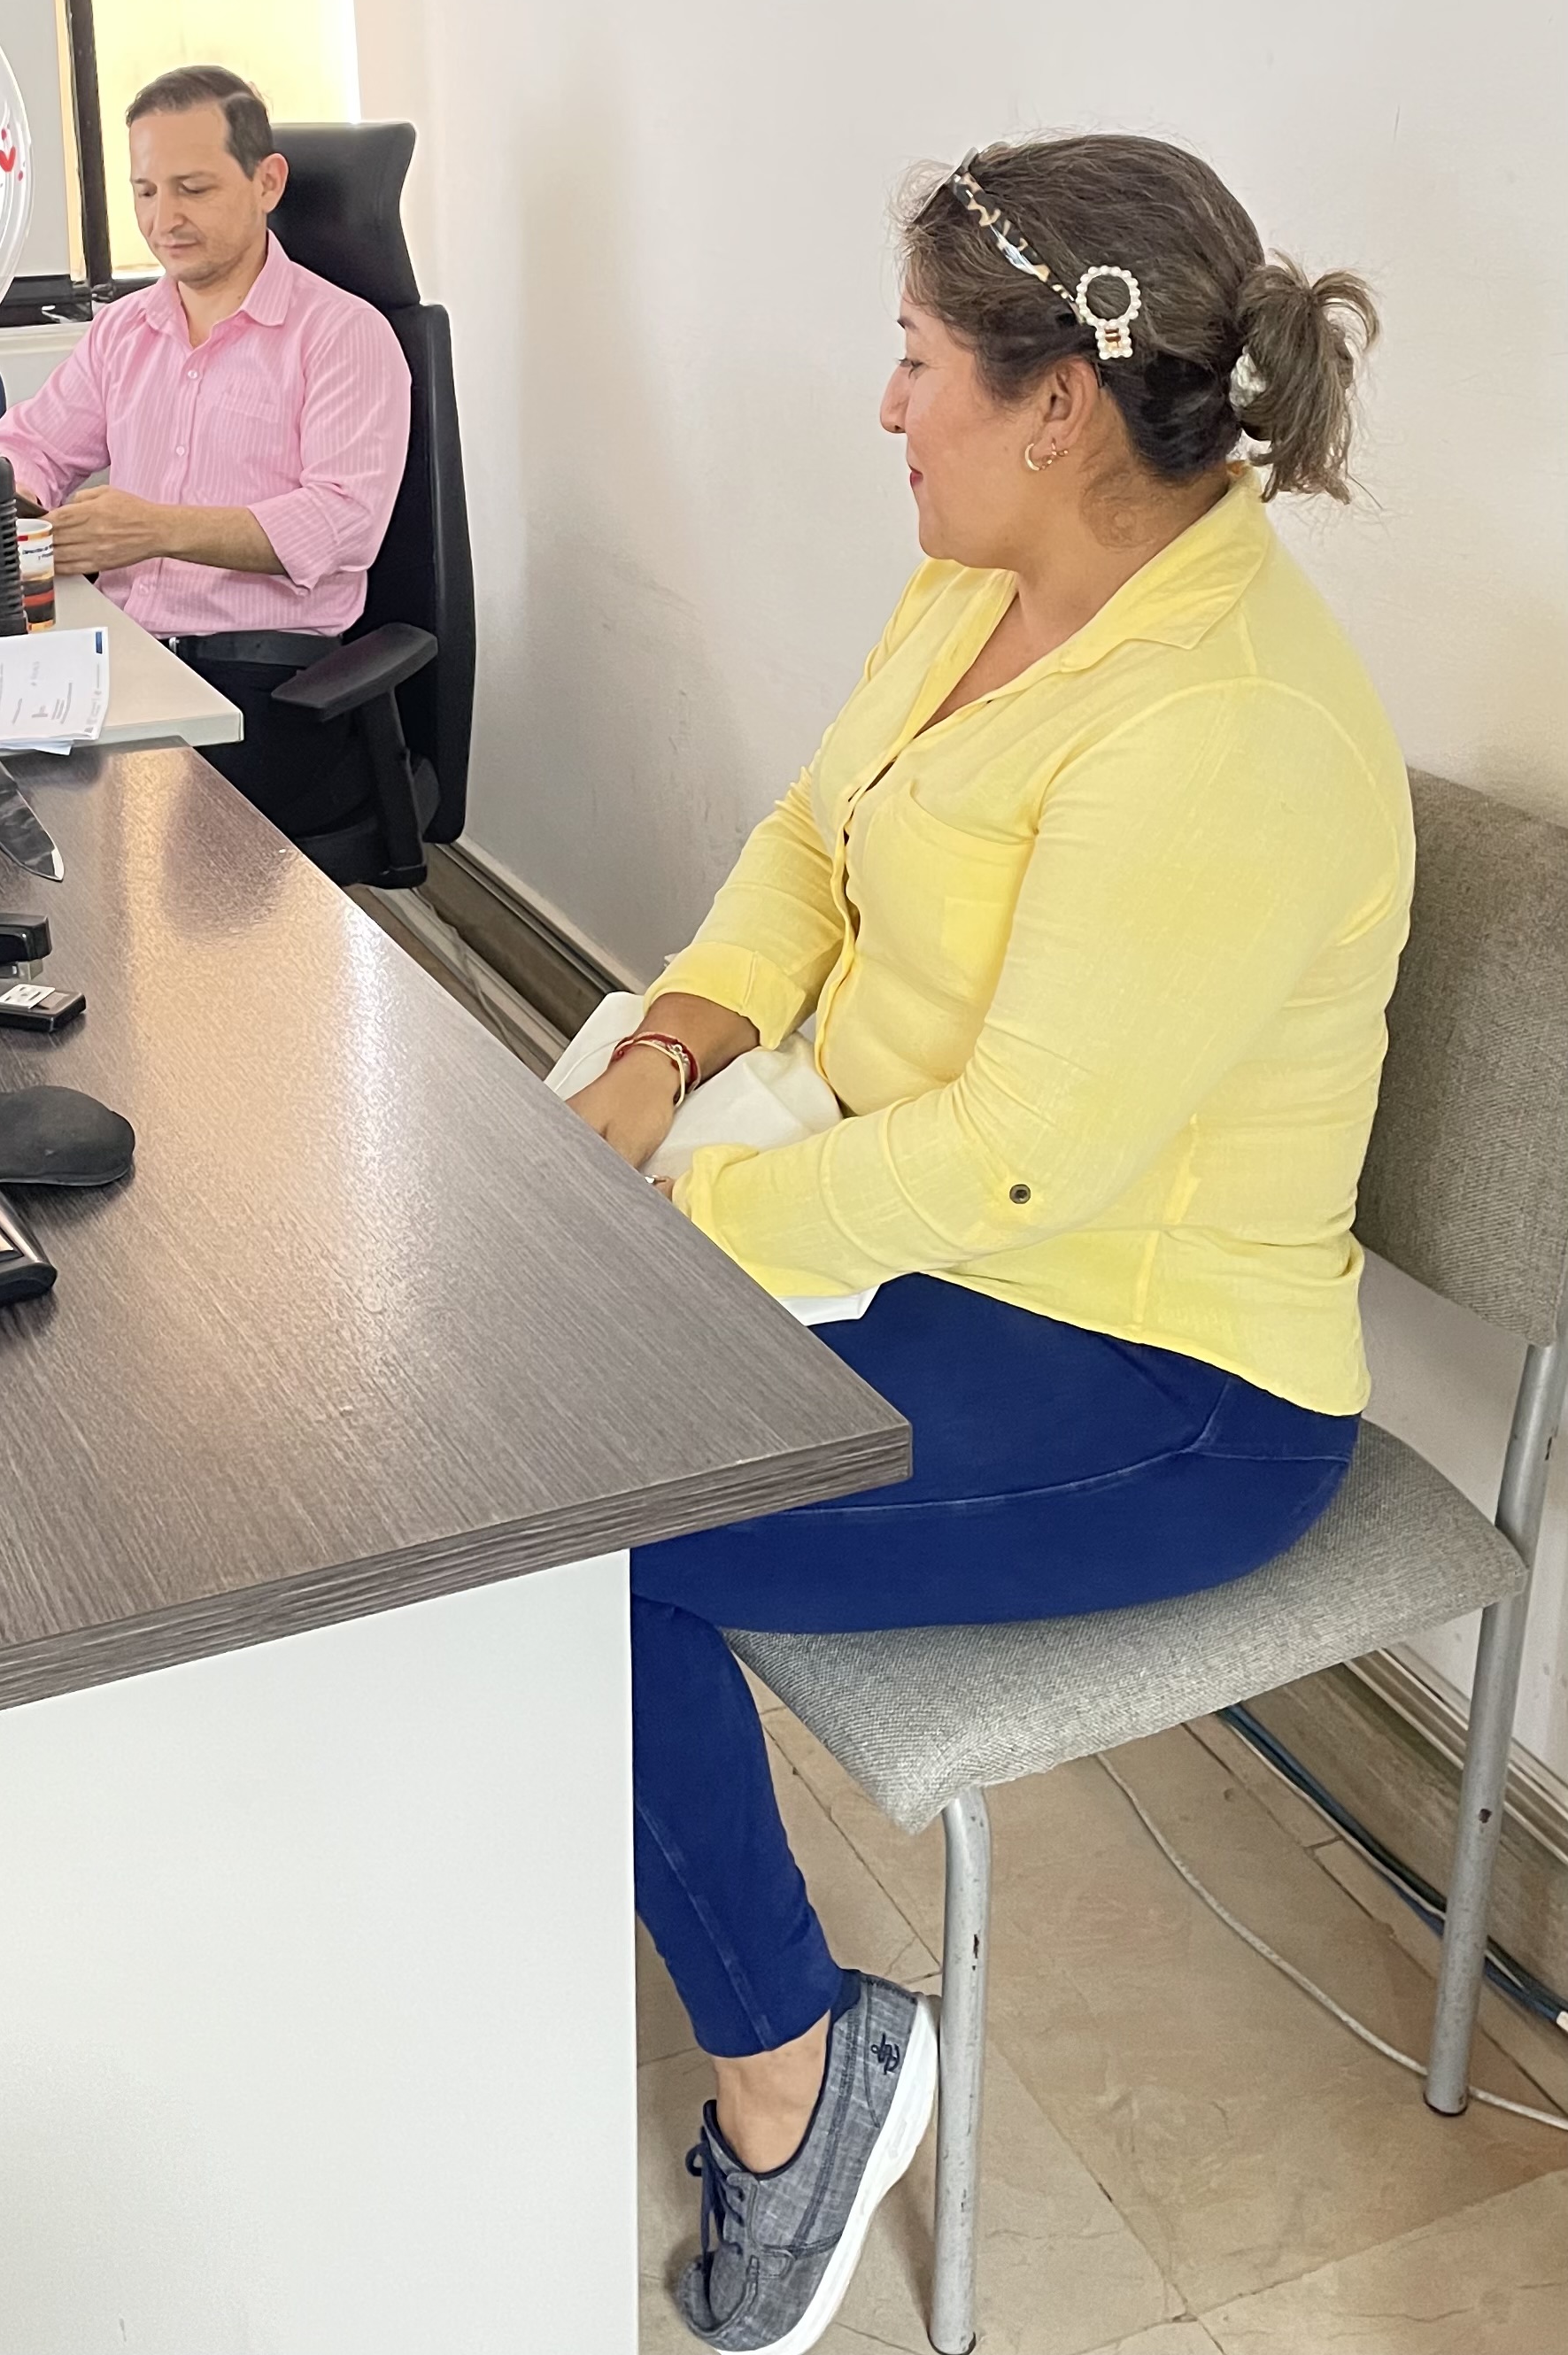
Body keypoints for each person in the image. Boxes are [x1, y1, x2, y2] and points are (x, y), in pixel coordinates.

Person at [568, 134, 1410, 2355]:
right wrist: (667, 1051)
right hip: (911, 1236)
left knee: (584, 1535)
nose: (886, 406)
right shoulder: (983, 584)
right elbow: (809, 841)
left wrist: (686, 1213)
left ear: (1060, 403)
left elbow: (1028, 1165)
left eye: (916, 359)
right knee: (512, 1404)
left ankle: (795, 2075)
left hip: (1163, 1378)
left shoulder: (1222, 720)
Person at [0, 65, 410, 834]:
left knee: (114, 841)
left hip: (266, 681)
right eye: (146, 191)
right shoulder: (125, 328)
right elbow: (33, 445)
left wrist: (156, 529)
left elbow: (346, 523)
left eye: (194, 189)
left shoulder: (345, 335)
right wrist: (12, 500)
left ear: (267, 182)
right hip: (124, 655)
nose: (164, 219)